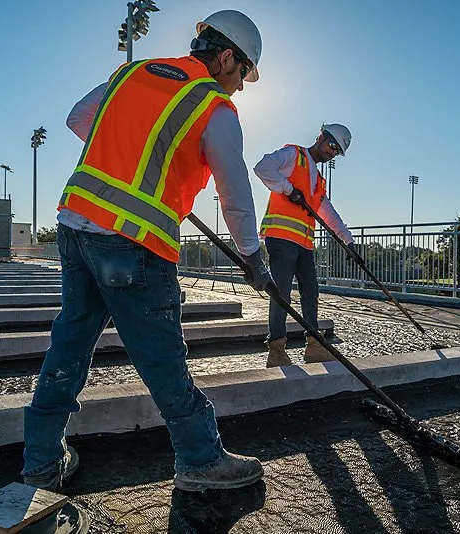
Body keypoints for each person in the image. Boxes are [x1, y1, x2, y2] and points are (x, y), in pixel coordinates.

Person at [22, 9, 274, 493]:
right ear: (226, 59)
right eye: (243, 74)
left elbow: (79, 119)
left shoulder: (133, 73)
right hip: (132, 241)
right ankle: (201, 459)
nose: (241, 86)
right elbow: (234, 190)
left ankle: (40, 460)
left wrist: (139, 146)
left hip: (75, 225)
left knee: (69, 345)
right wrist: (251, 256)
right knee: (162, 356)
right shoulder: (213, 107)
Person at [254, 124, 359, 367]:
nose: (333, 153)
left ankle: (313, 346)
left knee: (311, 291)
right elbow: (263, 167)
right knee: (281, 294)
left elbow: (327, 211)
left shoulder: (318, 180)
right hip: (281, 238)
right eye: (332, 146)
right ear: (321, 137)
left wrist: (349, 240)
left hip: (303, 243)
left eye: (337, 152)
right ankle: (277, 350)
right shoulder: (293, 155)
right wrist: (288, 189)